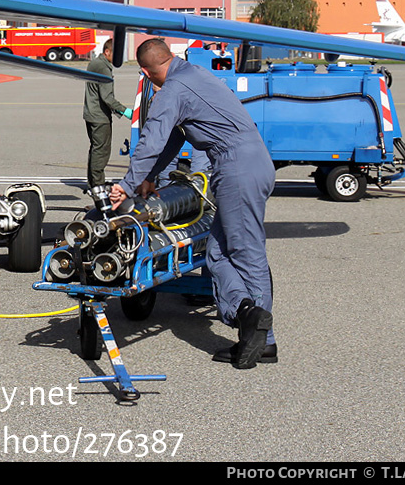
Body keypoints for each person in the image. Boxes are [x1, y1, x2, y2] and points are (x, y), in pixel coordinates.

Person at [109, 38, 276, 369]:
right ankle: (246, 316)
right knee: (217, 252)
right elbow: (174, 137)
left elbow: (152, 138)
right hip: (248, 161)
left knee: (244, 251)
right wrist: (151, 176)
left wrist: (126, 186)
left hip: (237, 166)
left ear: (146, 72)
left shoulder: (172, 90)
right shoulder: (193, 75)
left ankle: (261, 335)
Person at [82, 38, 133, 189]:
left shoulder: (95, 63)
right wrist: (125, 111)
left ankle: (93, 182)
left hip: (91, 113)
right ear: (107, 52)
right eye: (115, 54)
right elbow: (107, 97)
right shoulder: (103, 68)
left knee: (95, 149)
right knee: (102, 151)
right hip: (99, 116)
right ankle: (98, 185)